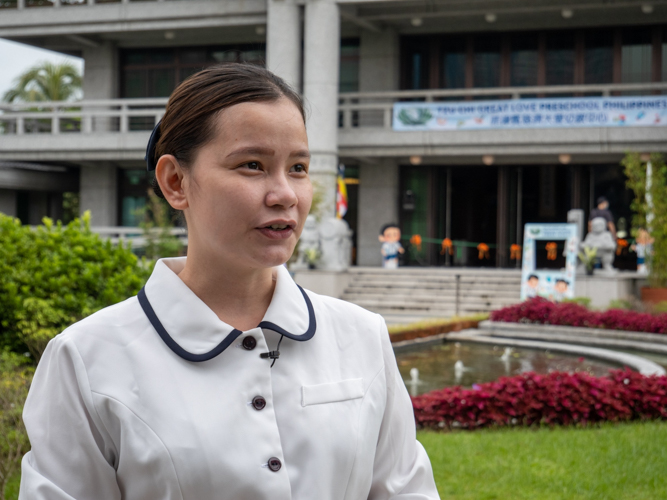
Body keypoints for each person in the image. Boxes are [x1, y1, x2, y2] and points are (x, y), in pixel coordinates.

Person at [19, 65, 439, 500]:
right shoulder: (86, 359)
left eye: (298, 167)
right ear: (175, 182)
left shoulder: (361, 335)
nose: (285, 194)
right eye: (252, 165)